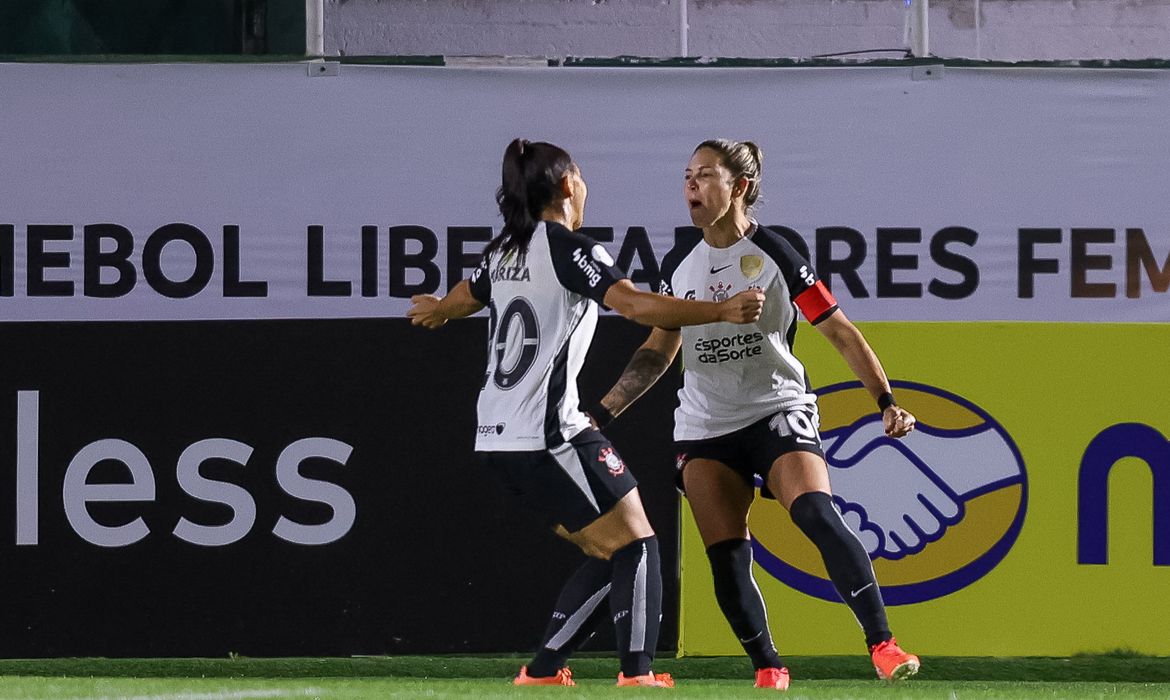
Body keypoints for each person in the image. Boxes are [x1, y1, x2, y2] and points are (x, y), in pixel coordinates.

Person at [407, 138, 765, 688]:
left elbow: (469, 294)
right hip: (551, 433)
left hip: (496, 439)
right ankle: (637, 674)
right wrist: (720, 309)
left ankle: (544, 670)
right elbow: (634, 305)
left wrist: (441, 311)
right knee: (640, 544)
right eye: (583, 176)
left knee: (612, 548)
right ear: (569, 184)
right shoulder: (571, 247)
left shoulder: (505, 249)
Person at [590, 139, 922, 691]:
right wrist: (603, 411)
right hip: (705, 426)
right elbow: (656, 352)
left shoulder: (779, 253)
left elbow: (839, 330)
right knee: (726, 555)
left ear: (738, 187)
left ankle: (883, 644)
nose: (691, 186)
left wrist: (885, 401)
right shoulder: (680, 264)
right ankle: (769, 667)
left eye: (705, 176)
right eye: (687, 176)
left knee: (816, 513)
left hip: (775, 409)